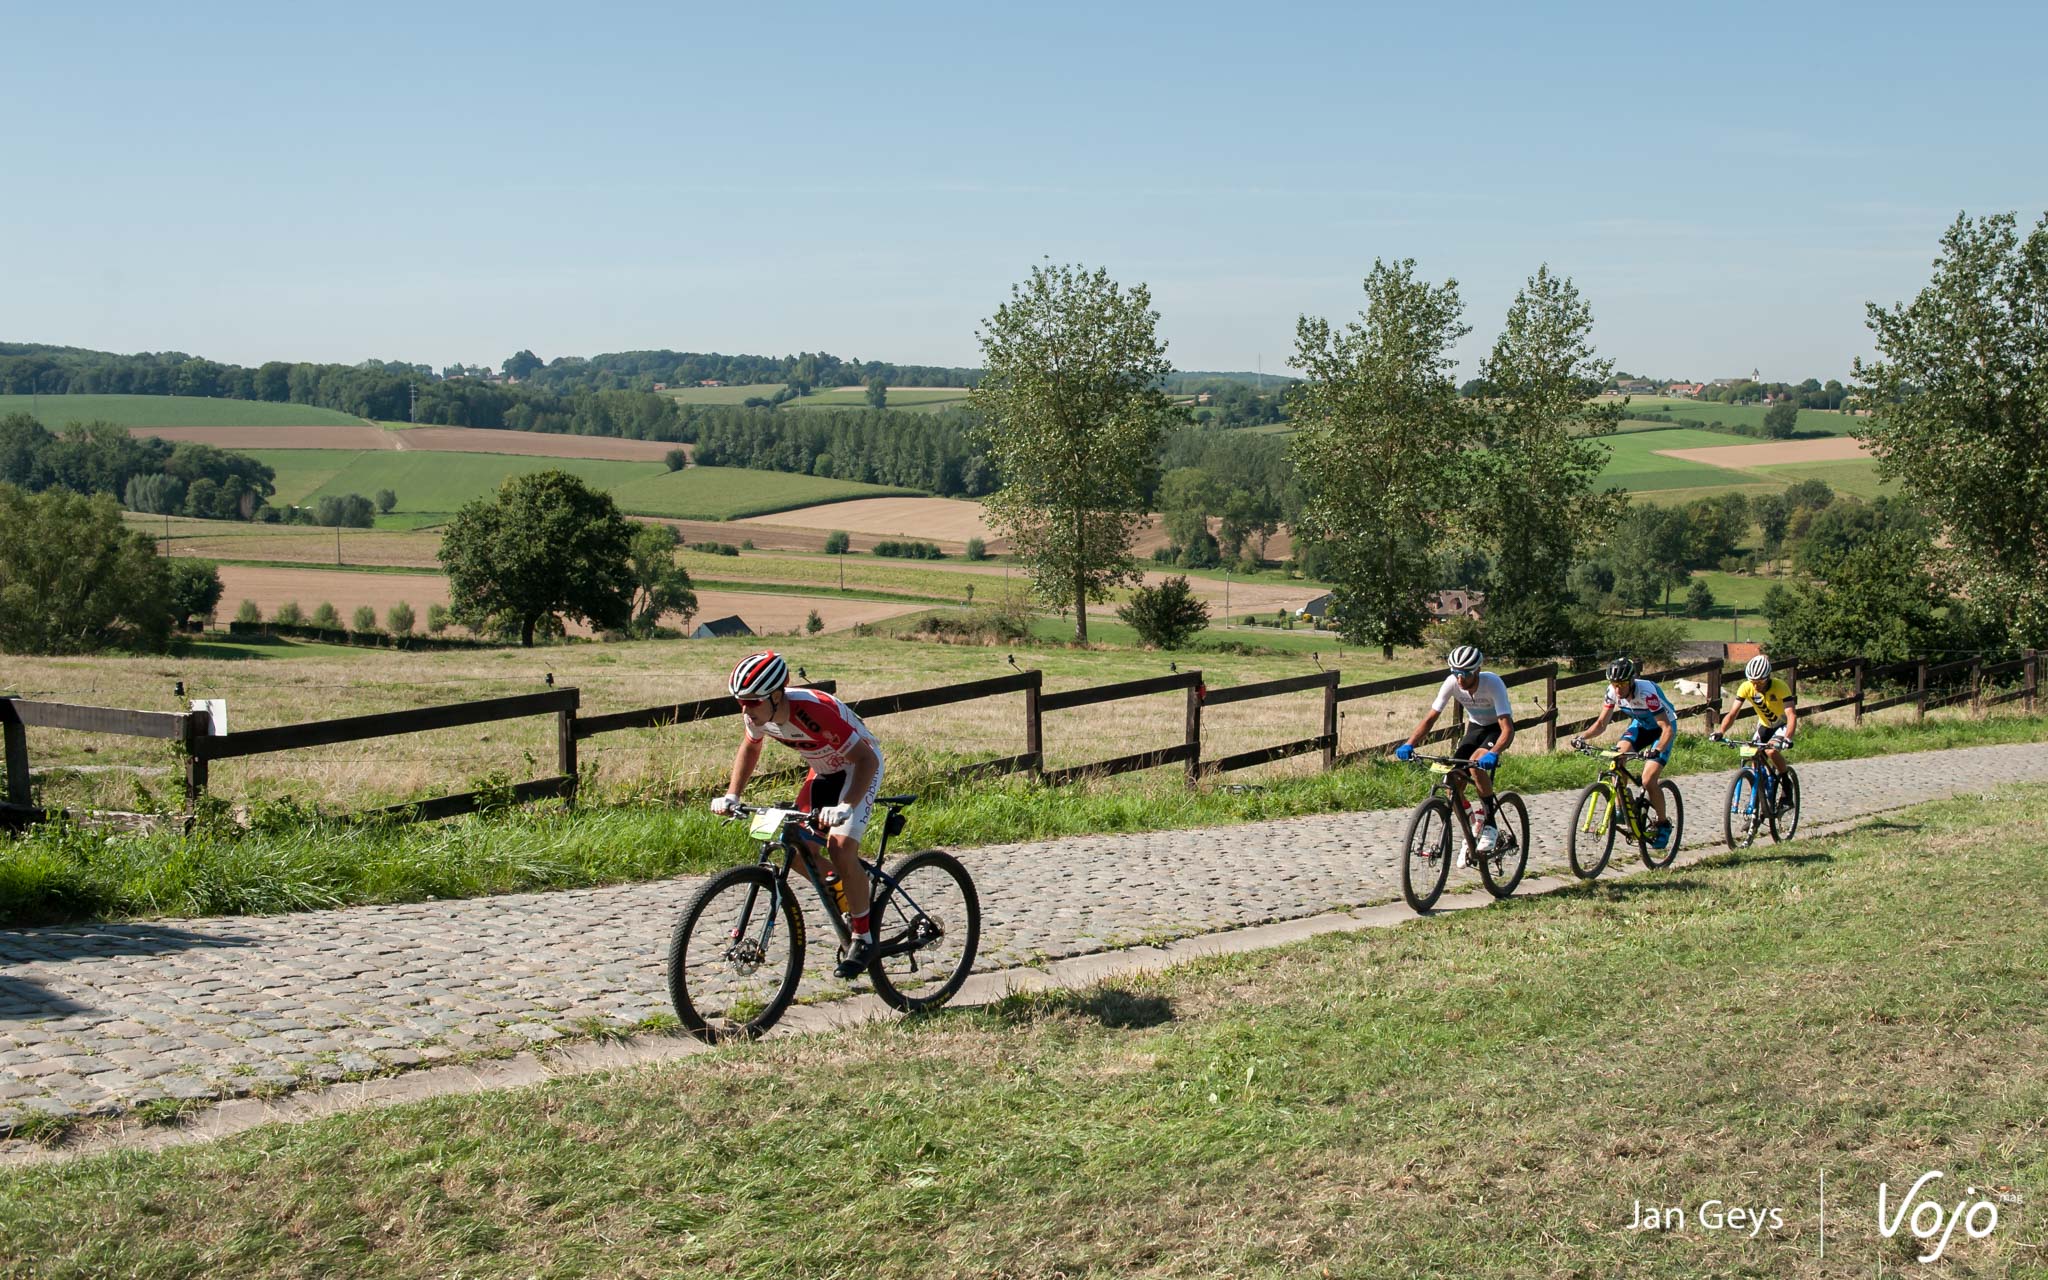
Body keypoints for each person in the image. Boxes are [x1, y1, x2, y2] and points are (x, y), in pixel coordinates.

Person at [711, 652, 884, 978]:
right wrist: (733, 795)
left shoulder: (814, 710)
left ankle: (864, 936)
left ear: (777, 696)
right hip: (822, 771)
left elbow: (866, 761)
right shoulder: (758, 713)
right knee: (795, 850)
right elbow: (751, 748)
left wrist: (845, 806)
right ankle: (848, 889)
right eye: (740, 702)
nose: (745, 710)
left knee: (840, 847)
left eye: (752, 701)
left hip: (859, 767)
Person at [1395, 644, 1515, 867]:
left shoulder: (1493, 683)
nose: (1459, 679)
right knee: (1452, 779)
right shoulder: (1452, 682)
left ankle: (1489, 824)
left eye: (1465, 674)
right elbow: (1431, 718)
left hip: (1496, 730)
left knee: (1476, 763)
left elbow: (1507, 728)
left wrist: (1495, 752)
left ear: (1477, 671)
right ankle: (1473, 826)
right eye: (1455, 673)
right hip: (1475, 728)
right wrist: (1409, 744)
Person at [1572, 656, 1679, 850]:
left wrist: (1656, 750)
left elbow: (1666, 729)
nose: (1618, 689)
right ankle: (1623, 806)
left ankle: (1663, 824)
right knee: (1616, 759)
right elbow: (1601, 724)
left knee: (1648, 780)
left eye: (1621, 684)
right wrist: (1582, 737)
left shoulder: (1647, 693)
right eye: (1614, 684)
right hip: (1640, 726)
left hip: (1662, 729)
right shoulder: (1612, 692)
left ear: (1631, 681)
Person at [1709, 654, 1798, 810]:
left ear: (1768, 677)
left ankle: (1786, 783)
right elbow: (1732, 714)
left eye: (1760, 682)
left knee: (1770, 751)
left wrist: (1787, 738)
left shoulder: (1780, 686)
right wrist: (1721, 731)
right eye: (1753, 682)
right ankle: (1761, 794)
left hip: (1781, 725)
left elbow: (1791, 715)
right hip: (1764, 725)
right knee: (1751, 753)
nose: (1755, 686)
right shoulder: (1746, 687)